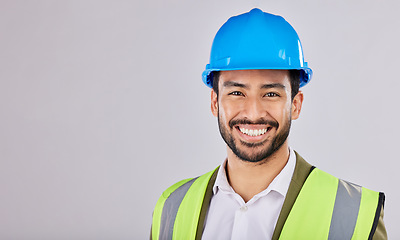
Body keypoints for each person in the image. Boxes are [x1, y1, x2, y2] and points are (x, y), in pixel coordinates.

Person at [151, 8, 387, 240]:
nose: (253, 113)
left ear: (295, 104)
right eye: (236, 92)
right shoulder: (172, 207)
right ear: (215, 102)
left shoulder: (356, 214)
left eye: (271, 94)